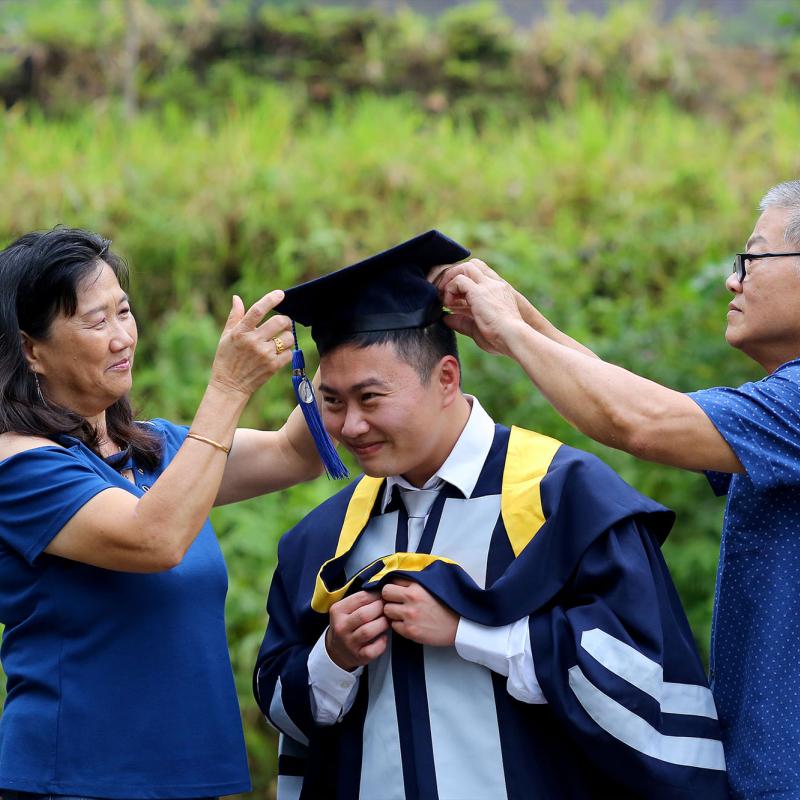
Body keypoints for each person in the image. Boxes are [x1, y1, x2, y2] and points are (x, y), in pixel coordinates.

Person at [253, 230, 729, 800]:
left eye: (371, 398)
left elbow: (652, 690)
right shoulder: (324, 539)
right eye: (332, 401)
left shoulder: (563, 499)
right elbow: (284, 708)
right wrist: (334, 657)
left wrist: (471, 633)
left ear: (446, 379)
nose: (351, 425)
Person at [434, 180, 800, 799]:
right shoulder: (778, 409)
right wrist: (514, 317)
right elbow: (635, 400)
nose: (733, 281)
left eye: (752, 258)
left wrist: (515, 332)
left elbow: (642, 421)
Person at [0, 227, 324, 799]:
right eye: (97, 323)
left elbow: (294, 454)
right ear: (31, 349)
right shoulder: (19, 466)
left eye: (124, 312)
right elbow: (155, 540)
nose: (123, 337)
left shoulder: (161, 448)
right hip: (76, 780)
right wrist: (226, 387)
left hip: (186, 776)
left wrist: (358, 329)